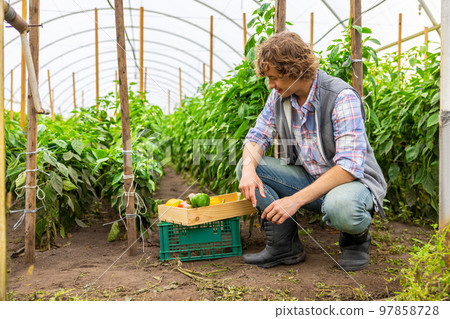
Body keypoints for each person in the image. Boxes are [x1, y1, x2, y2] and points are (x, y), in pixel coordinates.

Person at [236, 32, 387, 271]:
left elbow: (348, 167)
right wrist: (247, 169)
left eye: (274, 78)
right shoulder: (279, 97)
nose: (270, 85)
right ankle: (285, 245)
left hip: (349, 184)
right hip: (309, 179)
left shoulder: (340, 97)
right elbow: (258, 136)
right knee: (251, 168)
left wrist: (294, 200)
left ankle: (355, 242)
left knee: (342, 207)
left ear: (294, 71)